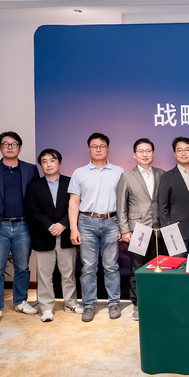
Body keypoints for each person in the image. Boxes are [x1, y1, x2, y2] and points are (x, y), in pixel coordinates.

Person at [0, 131, 40, 327]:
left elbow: (36, 198)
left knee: (23, 267)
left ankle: (20, 302)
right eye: (6, 144)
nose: (10, 147)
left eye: (14, 144)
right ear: (0, 147)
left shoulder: (30, 169)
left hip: (24, 226)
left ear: (20, 147)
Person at [68, 133, 124, 322]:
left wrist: (122, 226)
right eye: (94, 146)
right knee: (88, 267)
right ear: (88, 149)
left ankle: (113, 303)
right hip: (86, 222)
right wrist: (73, 228)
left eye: (102, 146)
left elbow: (123, 202)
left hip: (112, 221)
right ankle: (89, 305)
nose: (98, 149)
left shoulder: (119, 172)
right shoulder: (79, 173)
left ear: (108, 148)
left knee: (111, 265)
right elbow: (74, 202)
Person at [24, 149, 83, 322]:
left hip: (66, 235)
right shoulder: (34, 186)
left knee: (68, 273)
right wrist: (49, 226)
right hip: (43, 235)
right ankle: (46, 308)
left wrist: (64, 224)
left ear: (60, 163)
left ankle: (71, 303)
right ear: (41, 165)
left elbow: (77, 205)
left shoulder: (70, 182)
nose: (48, 164)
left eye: (52, 160)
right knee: (44, 275)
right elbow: (32, 210)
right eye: (44, 161)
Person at [116, 138, 165, 321]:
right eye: (141, 151)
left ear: (153, 153)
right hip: (138, 230)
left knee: (157, 267)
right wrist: (125, 230)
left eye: (148, 151)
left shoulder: (162, 174)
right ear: (134, 155)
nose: (145, 154)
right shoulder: (127, 176)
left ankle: (154, 301)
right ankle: (138, 304)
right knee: (138, 268)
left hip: (158, 229)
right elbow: (121, 206)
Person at [158, 137, 189, 254]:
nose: (184, 153)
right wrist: (168, 232)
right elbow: (162, 207)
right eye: (180, 150)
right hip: (175, 232)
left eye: (187, 150)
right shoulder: (167, 177)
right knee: (176, 264)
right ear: (175, 154)